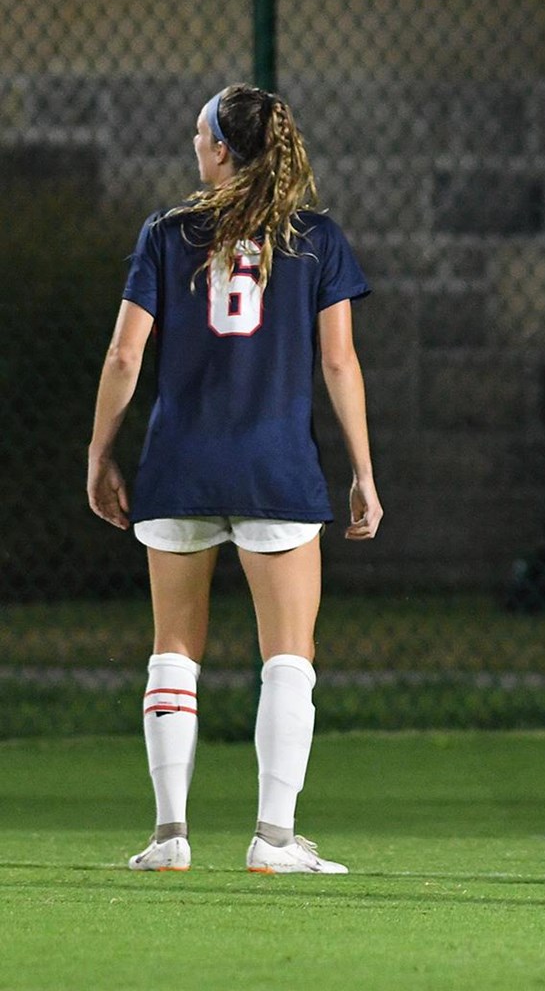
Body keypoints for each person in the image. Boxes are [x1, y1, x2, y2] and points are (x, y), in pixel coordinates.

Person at [86, 84, 379, 876]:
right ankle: (273, 840)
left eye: (197, 134)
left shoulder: (166, 234)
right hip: (275, 467)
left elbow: (122, 357)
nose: (193, 146)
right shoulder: (316, 240)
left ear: (220, 149)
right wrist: (362, 469)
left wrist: (98, 454)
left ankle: (169, 836)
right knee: (288, 655)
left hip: (179, 464)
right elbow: (339, 362)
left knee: (173, 650)